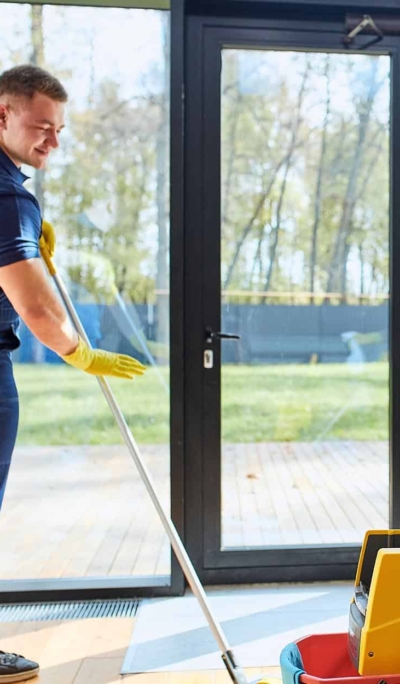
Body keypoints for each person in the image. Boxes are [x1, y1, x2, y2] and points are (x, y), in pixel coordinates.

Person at [0, 64, 145, 682]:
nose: (52, 143)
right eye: (40, 127)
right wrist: (79, 352)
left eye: (58, 130)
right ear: (1, 115)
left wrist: (25, 241)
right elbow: (35, 306)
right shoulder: (7, 196)